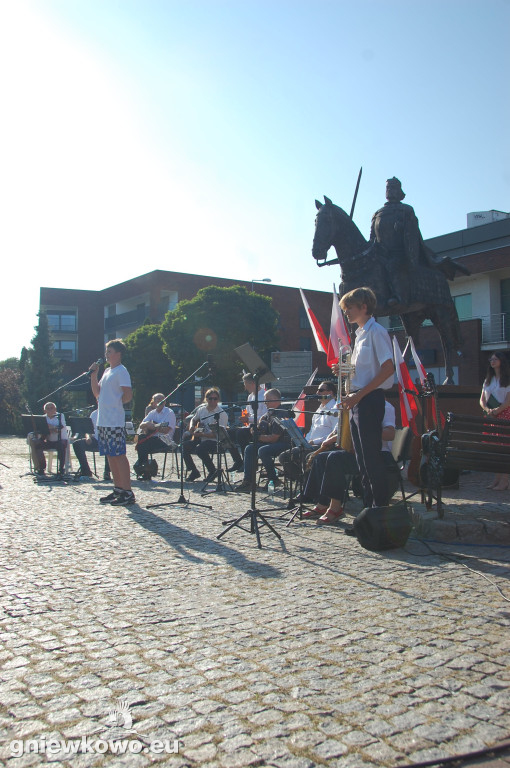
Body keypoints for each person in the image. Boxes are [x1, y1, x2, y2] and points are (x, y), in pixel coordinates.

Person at [369, 177, 467, 307]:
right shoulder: (377, 213)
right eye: (388, 187)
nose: (390, 190)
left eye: (393, 187)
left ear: (399, 191)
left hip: (399, 253)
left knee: (393, 265)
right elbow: (372, 238)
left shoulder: (406, 210)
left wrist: (403, 226)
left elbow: (412, 233)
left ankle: (398, 296)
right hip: (382, 254)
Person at [338, 287, 395, 509]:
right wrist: (343, 370)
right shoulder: (360, 334)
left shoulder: (376, 331)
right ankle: (368, 513)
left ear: (364, 307)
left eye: (349, 308)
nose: (347, 313)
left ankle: (378, 512)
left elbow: (388, 369)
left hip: (368, 400)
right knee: (362, 461)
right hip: (358, 399)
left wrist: (359, 395)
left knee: (371, 460)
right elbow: (365, 371)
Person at [314, 402, 397, 524]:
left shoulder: (385, 406)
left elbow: (390, 434)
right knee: (321, 457)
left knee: (335, 458)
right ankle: (321, 503)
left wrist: (365, 430)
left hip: (378, 453)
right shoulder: (355, 406)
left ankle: (335, 507)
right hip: (357, 452)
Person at [89, 339, 135, 506]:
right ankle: (118, 489)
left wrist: (115, 404)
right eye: (106, 351)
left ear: (118, 353)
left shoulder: (122, 371)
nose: (106, 354)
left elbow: (128, 395)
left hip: (114, 420)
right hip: (103, 420)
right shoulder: (108, 371)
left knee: (119, 455)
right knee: (110, 455)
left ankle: (128, 492)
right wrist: (94, 375)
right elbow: (97, 393)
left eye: (110, 351)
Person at [278, 381, 338, 481]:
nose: (317, 393)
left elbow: (334, 433)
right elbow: (312, 430)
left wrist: (313, 442)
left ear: (330, 393)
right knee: (284, 457)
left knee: (300, 456)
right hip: (310, 445)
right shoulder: (319, 409)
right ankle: (306, 485)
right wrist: (305, 441)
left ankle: (308, 488)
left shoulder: (335, 410)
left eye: (321, 390)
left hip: (324, 446)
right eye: (317, 390)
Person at [237, 388, 291, 493]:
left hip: (284, 443)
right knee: (249, 448)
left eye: (267, 400)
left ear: (275, 399)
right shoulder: (269, 413)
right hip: (271, 442)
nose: (265, 403)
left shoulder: (281, 413)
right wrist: (255, 429)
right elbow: (261, 425)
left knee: (263, 450)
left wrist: (257, 436)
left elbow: (274, 438)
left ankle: (273, 478)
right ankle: (248, 481)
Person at [182, 387, 228, 482]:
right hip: (201, 438)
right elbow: (193, 419)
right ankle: (194, 471)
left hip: (215, 441)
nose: (212, 401)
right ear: (206, 399)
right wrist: (191, 426)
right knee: (184, 446)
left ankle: (212, 471)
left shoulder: (222, 414)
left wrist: (202, 434)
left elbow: (217, 434)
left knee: (200, 449)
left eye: (215, 399)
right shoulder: (201, 410)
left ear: (218, 400)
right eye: (210, 398)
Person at [480, 352, 510, 491]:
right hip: (491, 416)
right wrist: (487, 409)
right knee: (494, 449)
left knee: (504, 448)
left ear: (501, 361)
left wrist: (498, 410)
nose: (492, 361)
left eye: (495, 359)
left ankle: (505, 480)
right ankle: (497, 479)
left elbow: (508, 401)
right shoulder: (488, 380)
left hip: (504, 415)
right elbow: (482, 399)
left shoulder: (507, 379)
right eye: (491, 359)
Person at [228, 373, 268, 469]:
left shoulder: (264, 395)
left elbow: (265, 417)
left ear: (253, 383)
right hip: (250, 425)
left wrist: (248, 419)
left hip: (261, 427)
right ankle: (238, 461)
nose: (245, 388)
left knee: (241, 433)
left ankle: (249, 462)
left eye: (246, 385)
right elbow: (249, 413)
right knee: (228, 433)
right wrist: (245, 418)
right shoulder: (250, 396)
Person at [135, 394, 177, 466]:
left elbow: (166, 430)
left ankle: (144, 466)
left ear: (164, 402)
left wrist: (154, 427)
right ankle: (144, 466)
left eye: (162, 401)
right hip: (153, 438)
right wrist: (147, 423)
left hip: (165, 440)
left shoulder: (169, 412)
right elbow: (141, 425)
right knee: (141, 439)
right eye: (157, 401)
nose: (160, 403)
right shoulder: (152, 413)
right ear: (153, 403)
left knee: (142, 445)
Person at [28, 401, 68, 475]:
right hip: (49, 440)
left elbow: (60, 428)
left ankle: (61, 468)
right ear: (44, 410)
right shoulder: (43, 418)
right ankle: (41, 467)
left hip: (60, 440)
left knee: (61, 445)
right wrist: (52, 428)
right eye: (48, 408)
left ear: (55, 409)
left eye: (52, 408)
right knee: (36, 443)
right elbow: (40, 429)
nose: (50, 410)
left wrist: (49, 427)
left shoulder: (60, 416)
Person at [72, 408, 111, 480]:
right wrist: (88, 437)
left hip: (108, 439)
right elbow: (88, 430)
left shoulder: (111, 412)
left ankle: (107, 471)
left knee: (108, 445)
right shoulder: (94, 414)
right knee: (77, 444)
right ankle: (86, 471)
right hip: (95, 440)